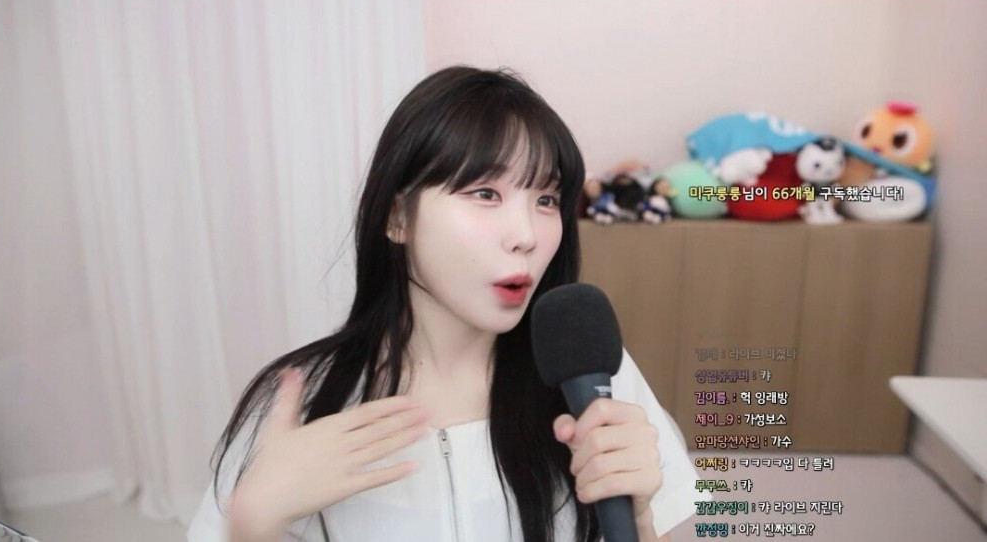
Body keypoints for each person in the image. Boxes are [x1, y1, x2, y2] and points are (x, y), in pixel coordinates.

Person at [187, 66, 708, 542]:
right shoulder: (303, 407)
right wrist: (252, 526)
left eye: (546, 200)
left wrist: (640, 522)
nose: (527, 235)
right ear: (398, 217)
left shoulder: (593, 382)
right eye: (485, 193)